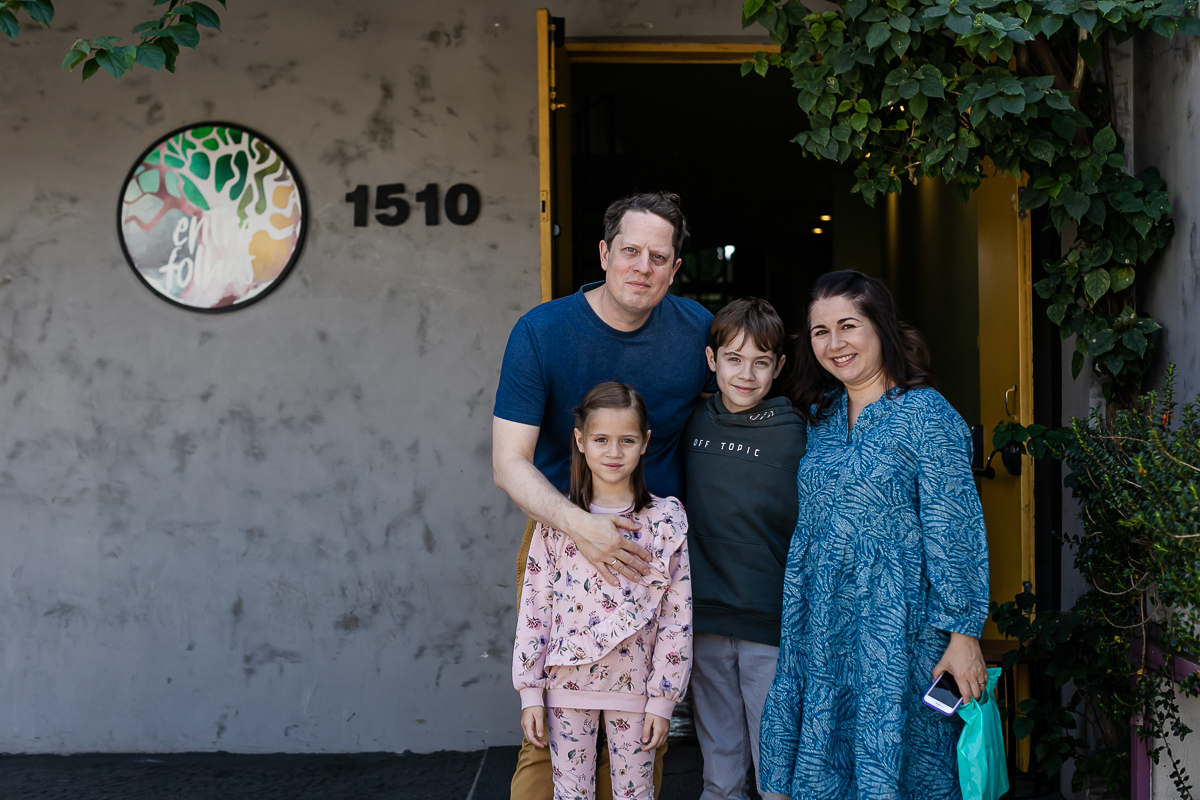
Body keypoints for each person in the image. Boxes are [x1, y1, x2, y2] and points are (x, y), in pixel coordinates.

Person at [493, 191, 715, 800]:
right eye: (630, 251)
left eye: (658, 257)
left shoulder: (696, 331)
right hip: (559, 539)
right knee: (549, 742)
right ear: (603, 253)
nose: (642, 267)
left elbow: (739, 398)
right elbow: (509, 463)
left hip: (652, 551)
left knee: (639, 737)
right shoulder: (542, 331)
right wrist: (581, 526)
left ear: (675, 267)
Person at [759, 270, 991, 800]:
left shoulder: (927, 415)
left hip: (898, 630)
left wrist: (964, 635)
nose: (834, 344)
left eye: (848, 326)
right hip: (823, 626)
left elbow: (955, 531)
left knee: (904, 770)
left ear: (881, 326)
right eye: (820, 332)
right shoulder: (822, 415)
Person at [513, 382, 692, 800]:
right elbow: (535, 608)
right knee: (570, 794)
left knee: (635, 793)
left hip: (636, 689)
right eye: (601, 440)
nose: (614, 452)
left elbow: (677, 616)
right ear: (580, 441)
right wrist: (530, 692)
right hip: (565, 687)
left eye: (627, 440)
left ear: (645, 443)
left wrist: (663, 700)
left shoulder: (665, 521)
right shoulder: (556, 521)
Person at [683, 298, 805, 800]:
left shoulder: (797, 433)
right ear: (712, 360)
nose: (747, 374)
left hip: (769, 622)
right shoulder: (690, 422)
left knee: (777, 769)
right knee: (720, 768)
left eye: (761, 362)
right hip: (704, 618)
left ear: (780, 366)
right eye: (734, 359)